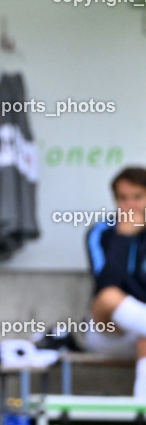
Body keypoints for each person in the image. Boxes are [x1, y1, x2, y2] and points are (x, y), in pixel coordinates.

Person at [84, 166, 146, 397]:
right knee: (109, 297)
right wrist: (123, 238)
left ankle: (142, 415)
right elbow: (104, 287)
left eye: (138, 197)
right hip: (108, 331)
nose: (130, 205)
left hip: (141, 331)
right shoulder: (101, 232)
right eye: (123, 198)